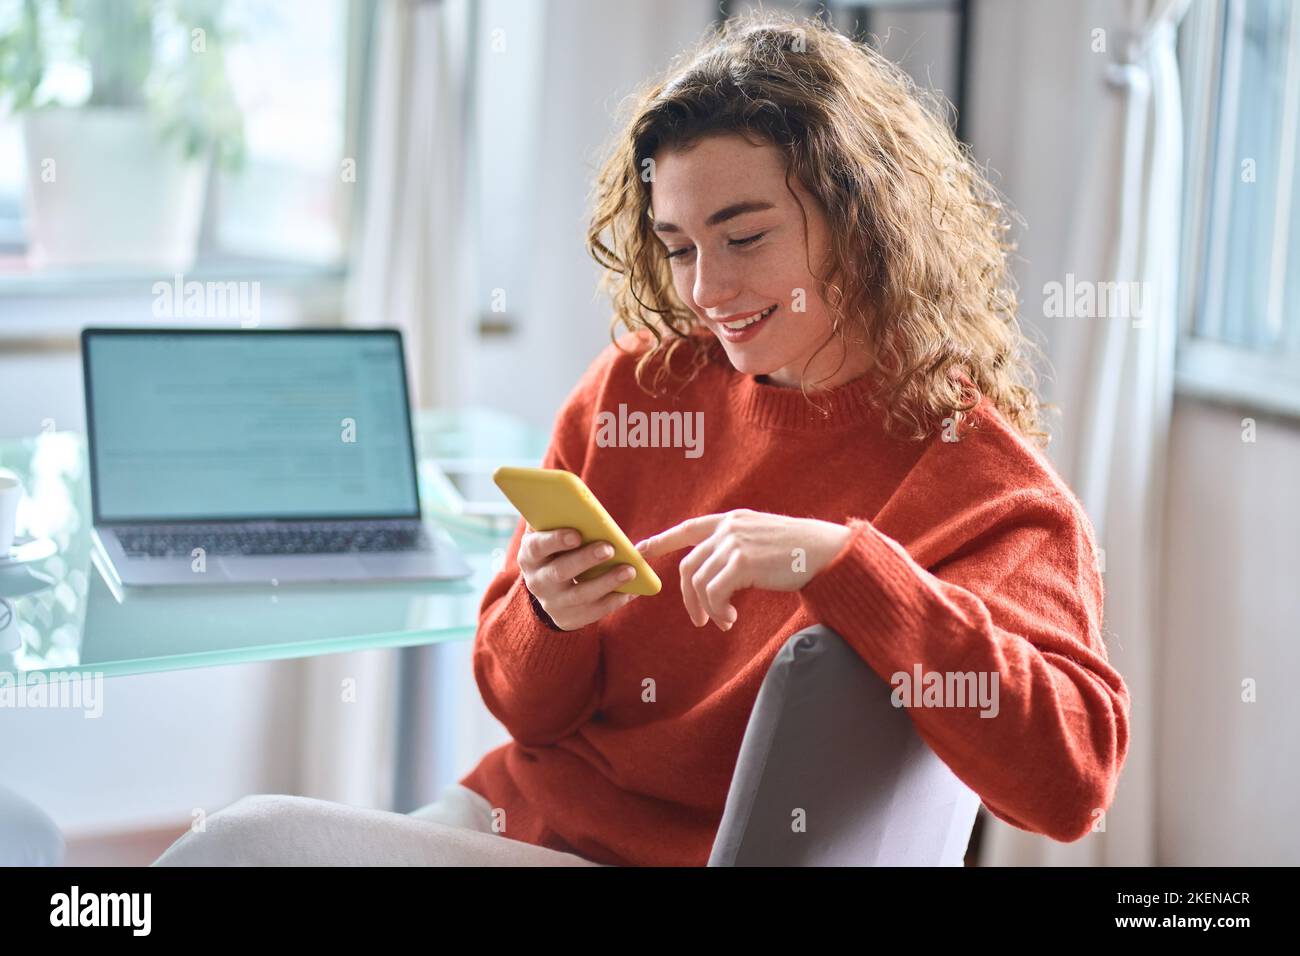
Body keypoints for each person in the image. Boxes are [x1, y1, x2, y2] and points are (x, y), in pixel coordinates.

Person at [155, 11, 1129, 868]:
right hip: (517, 815)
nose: (705, 293)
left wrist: (842, 561)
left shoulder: (985, 485)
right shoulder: (640, 385)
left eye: (744, 238)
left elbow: (1071, 782)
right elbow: (520, 708)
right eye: (678, 247)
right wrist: (547, 617)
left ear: (862, 222)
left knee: (238, 847)